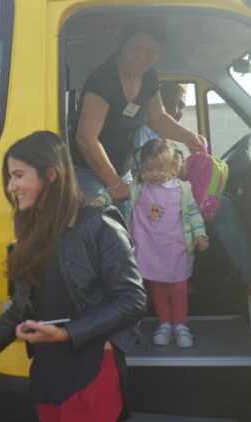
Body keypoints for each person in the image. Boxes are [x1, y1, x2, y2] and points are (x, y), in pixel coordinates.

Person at [0, 131, 146, 422]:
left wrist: (67, 333)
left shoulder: (99, 223)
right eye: (9, 177)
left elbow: (132, 300)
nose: (11, 187)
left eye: (19, 175)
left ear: (51, 174)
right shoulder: (29, 231)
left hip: (90, 373)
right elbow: (17, 313)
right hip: (48, 375)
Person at [70, 16, 205, 214]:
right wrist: (114, 183)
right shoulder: (103, 80)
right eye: (136, 49)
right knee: (106, 223)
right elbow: (85, 138)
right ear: (122, 46)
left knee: (135, 222)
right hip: (86, 170)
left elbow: (157, 118)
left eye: (151, 51)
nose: (143, 57)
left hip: (120, 170)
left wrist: (188, 137)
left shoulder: (149, 76)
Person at [136, 83, 251, 286]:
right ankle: (248, 271)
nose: (176, 110)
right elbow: (148, 177)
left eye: (181, 105)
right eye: (169, 103)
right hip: (156, 207)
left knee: (223, 199)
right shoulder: (144, 135)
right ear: (156, 106)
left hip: (168, 197)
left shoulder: (164, 137)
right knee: (222, 206)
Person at [101, 138, 209, 348]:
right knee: (158, 286)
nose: (154, 173)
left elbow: (193, 213)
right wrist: (99, 200)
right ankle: (165, 323)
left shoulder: (182, 189)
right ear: (141, 169)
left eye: (160, 168)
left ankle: (180, 325)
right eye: (148, 169)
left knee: (178, 287)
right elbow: (114, 192)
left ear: (173, 166)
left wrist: (200, 233)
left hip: (176, 247)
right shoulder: (138, 188)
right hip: (150, 248)